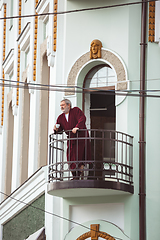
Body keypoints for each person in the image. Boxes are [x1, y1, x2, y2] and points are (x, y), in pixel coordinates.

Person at [54, 99, 91, 180]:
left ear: (68, 105)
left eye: (63, 105)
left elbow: (82, 118)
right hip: (71, 139)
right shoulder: (60, 117)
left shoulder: (76, 110)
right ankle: (74, 175)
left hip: (80, 137)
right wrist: (56, 130)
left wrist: (77, 127)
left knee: (79, 156)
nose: (61, 107)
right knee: (70, 157)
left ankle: (78, 176)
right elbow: (60, 129)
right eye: (60, 106)